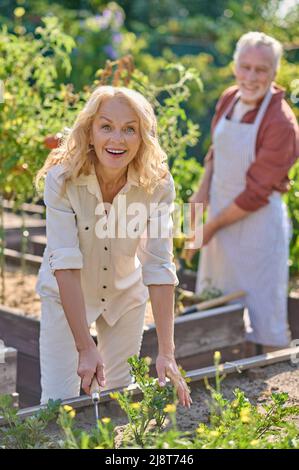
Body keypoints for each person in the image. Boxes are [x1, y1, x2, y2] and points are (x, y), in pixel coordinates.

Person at [35, 85, 192, 408]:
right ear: (90, 132)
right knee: (57, 405)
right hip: (67, 296)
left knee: (118, 401)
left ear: (142, 138)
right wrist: (84, 346)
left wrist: (166, 353)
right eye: (106, 127)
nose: (117, 140)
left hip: (124, 294)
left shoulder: (158, 184)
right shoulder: (62, 179)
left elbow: (159, 265)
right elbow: (64, 263)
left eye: (129, 130)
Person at [184, 32, 299, 354]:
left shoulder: (282, 124)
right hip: (221, 218)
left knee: (261, 313)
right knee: (216, 299)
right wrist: (199, 198)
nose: (251, 77)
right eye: (245, 67)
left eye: (260, 69)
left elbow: (255, 194)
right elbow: (216, 154)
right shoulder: (228, 98)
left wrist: (209, 227)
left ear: (275, 73)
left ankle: (262, 371)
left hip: (257, 228)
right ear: (234, 67)